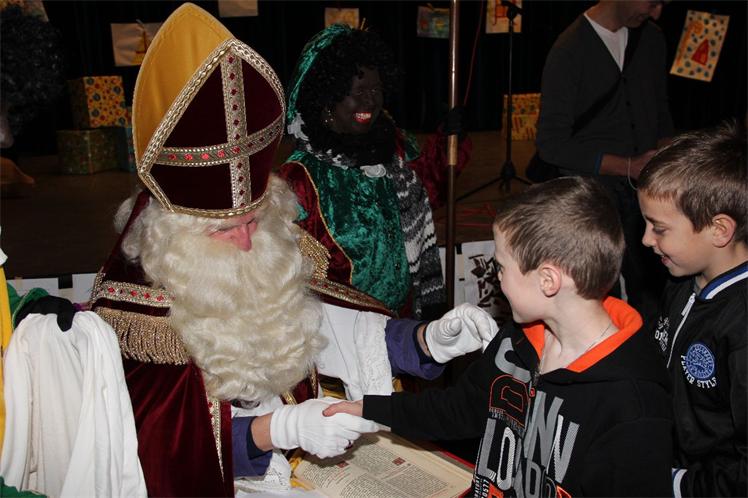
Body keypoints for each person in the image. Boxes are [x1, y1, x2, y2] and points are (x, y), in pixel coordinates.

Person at [80, 4, 497, 496]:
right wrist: (275, 430)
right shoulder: (140, 322)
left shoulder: (266, 259)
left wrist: (428, 341)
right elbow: (158, 451)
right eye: (225, 231)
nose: (247, 242)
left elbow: (338, 330)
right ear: (176, 237)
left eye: (253, 221)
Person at [326, 176, 674, 496]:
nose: (497, 279)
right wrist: (371, 408)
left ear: (548, 281)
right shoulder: (517, 340)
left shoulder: (633, 406)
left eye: (502, 267)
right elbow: (460, 409)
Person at [279, 24, 471, 320]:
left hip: (405, 321)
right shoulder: (300, 178)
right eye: (357, 92)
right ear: (328, 97)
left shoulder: (394, 146)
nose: (370, 101)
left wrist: (448, 144)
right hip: (343, 330)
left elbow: (431, 188)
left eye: (375, 90)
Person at [535, 0, 673, 322]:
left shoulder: (652, 38)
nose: (657, 12)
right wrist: (628, 166)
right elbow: (550, 145)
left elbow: (661, 111)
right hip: (594, 192)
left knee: (654, 293)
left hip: (647, 187)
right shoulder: (569, 49)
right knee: (598, 294)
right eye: (653, 2)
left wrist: (670, 160)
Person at [637, 121, 747, 497]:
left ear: (719, 230)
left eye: (659, 228)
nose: (646, 239)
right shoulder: (680, 282)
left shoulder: (741, 327)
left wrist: (679, 485)